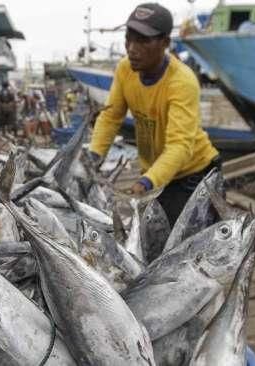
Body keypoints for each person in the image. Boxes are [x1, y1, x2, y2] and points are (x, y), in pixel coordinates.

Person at [89, 3, 221, 226]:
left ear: (166, 43)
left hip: (193, 174)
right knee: (155, 239)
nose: (132, 48)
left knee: (192, 242)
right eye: (128, 39)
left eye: (142, 41)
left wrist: (147, 182)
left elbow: (179, 146)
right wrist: (93, 157)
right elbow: (111, 117)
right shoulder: (124, 69)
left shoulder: (182, 82)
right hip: (154, 173)